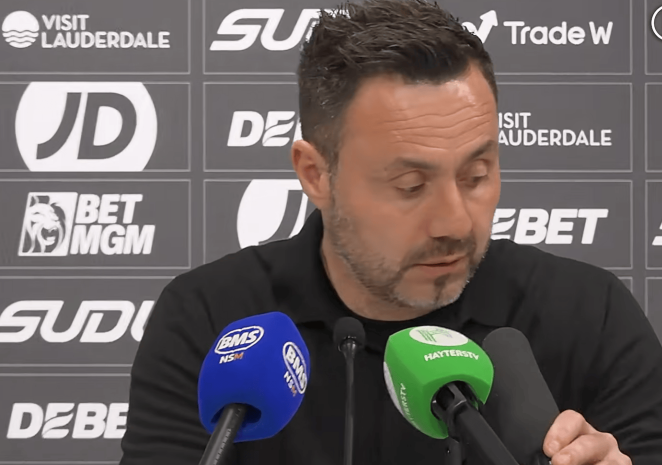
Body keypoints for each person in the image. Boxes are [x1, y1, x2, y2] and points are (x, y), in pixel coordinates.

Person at [119, 1, 662, 464]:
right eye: (410, 186)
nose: (454, 222)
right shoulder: (211, 321)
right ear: (315, 174)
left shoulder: (588, 314)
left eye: (476, 175)